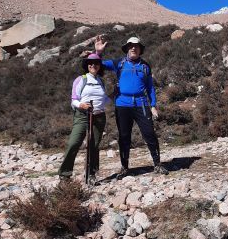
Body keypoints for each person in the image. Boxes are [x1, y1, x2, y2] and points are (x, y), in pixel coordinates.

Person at [94, 34, 168, 177]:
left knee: (150, 134)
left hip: (141, 104)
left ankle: (157, 164)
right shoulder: (118, 63)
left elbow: (150, 87)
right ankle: (124, 167)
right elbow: (98, 65)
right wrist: (98, 52)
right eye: (131, 46)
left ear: (140, 50)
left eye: (136, 46)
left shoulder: (145, 66)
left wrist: (153, 105)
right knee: (124, 136)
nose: (133, 48)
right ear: (127, 48)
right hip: (122, 105)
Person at [58, 53, 110, 183]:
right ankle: (65, 174)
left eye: (96, 63)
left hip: (99, 116)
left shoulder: (101, 81)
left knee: (94, 145)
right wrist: (81, 105)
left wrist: (114, 95)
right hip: (82, 115)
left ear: (99, 66)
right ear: (87, 65)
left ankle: (91, 174)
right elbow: (74, 100)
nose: (93, 65)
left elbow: (103, 100)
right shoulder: (81, 79)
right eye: (90, 63)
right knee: (74, 143)